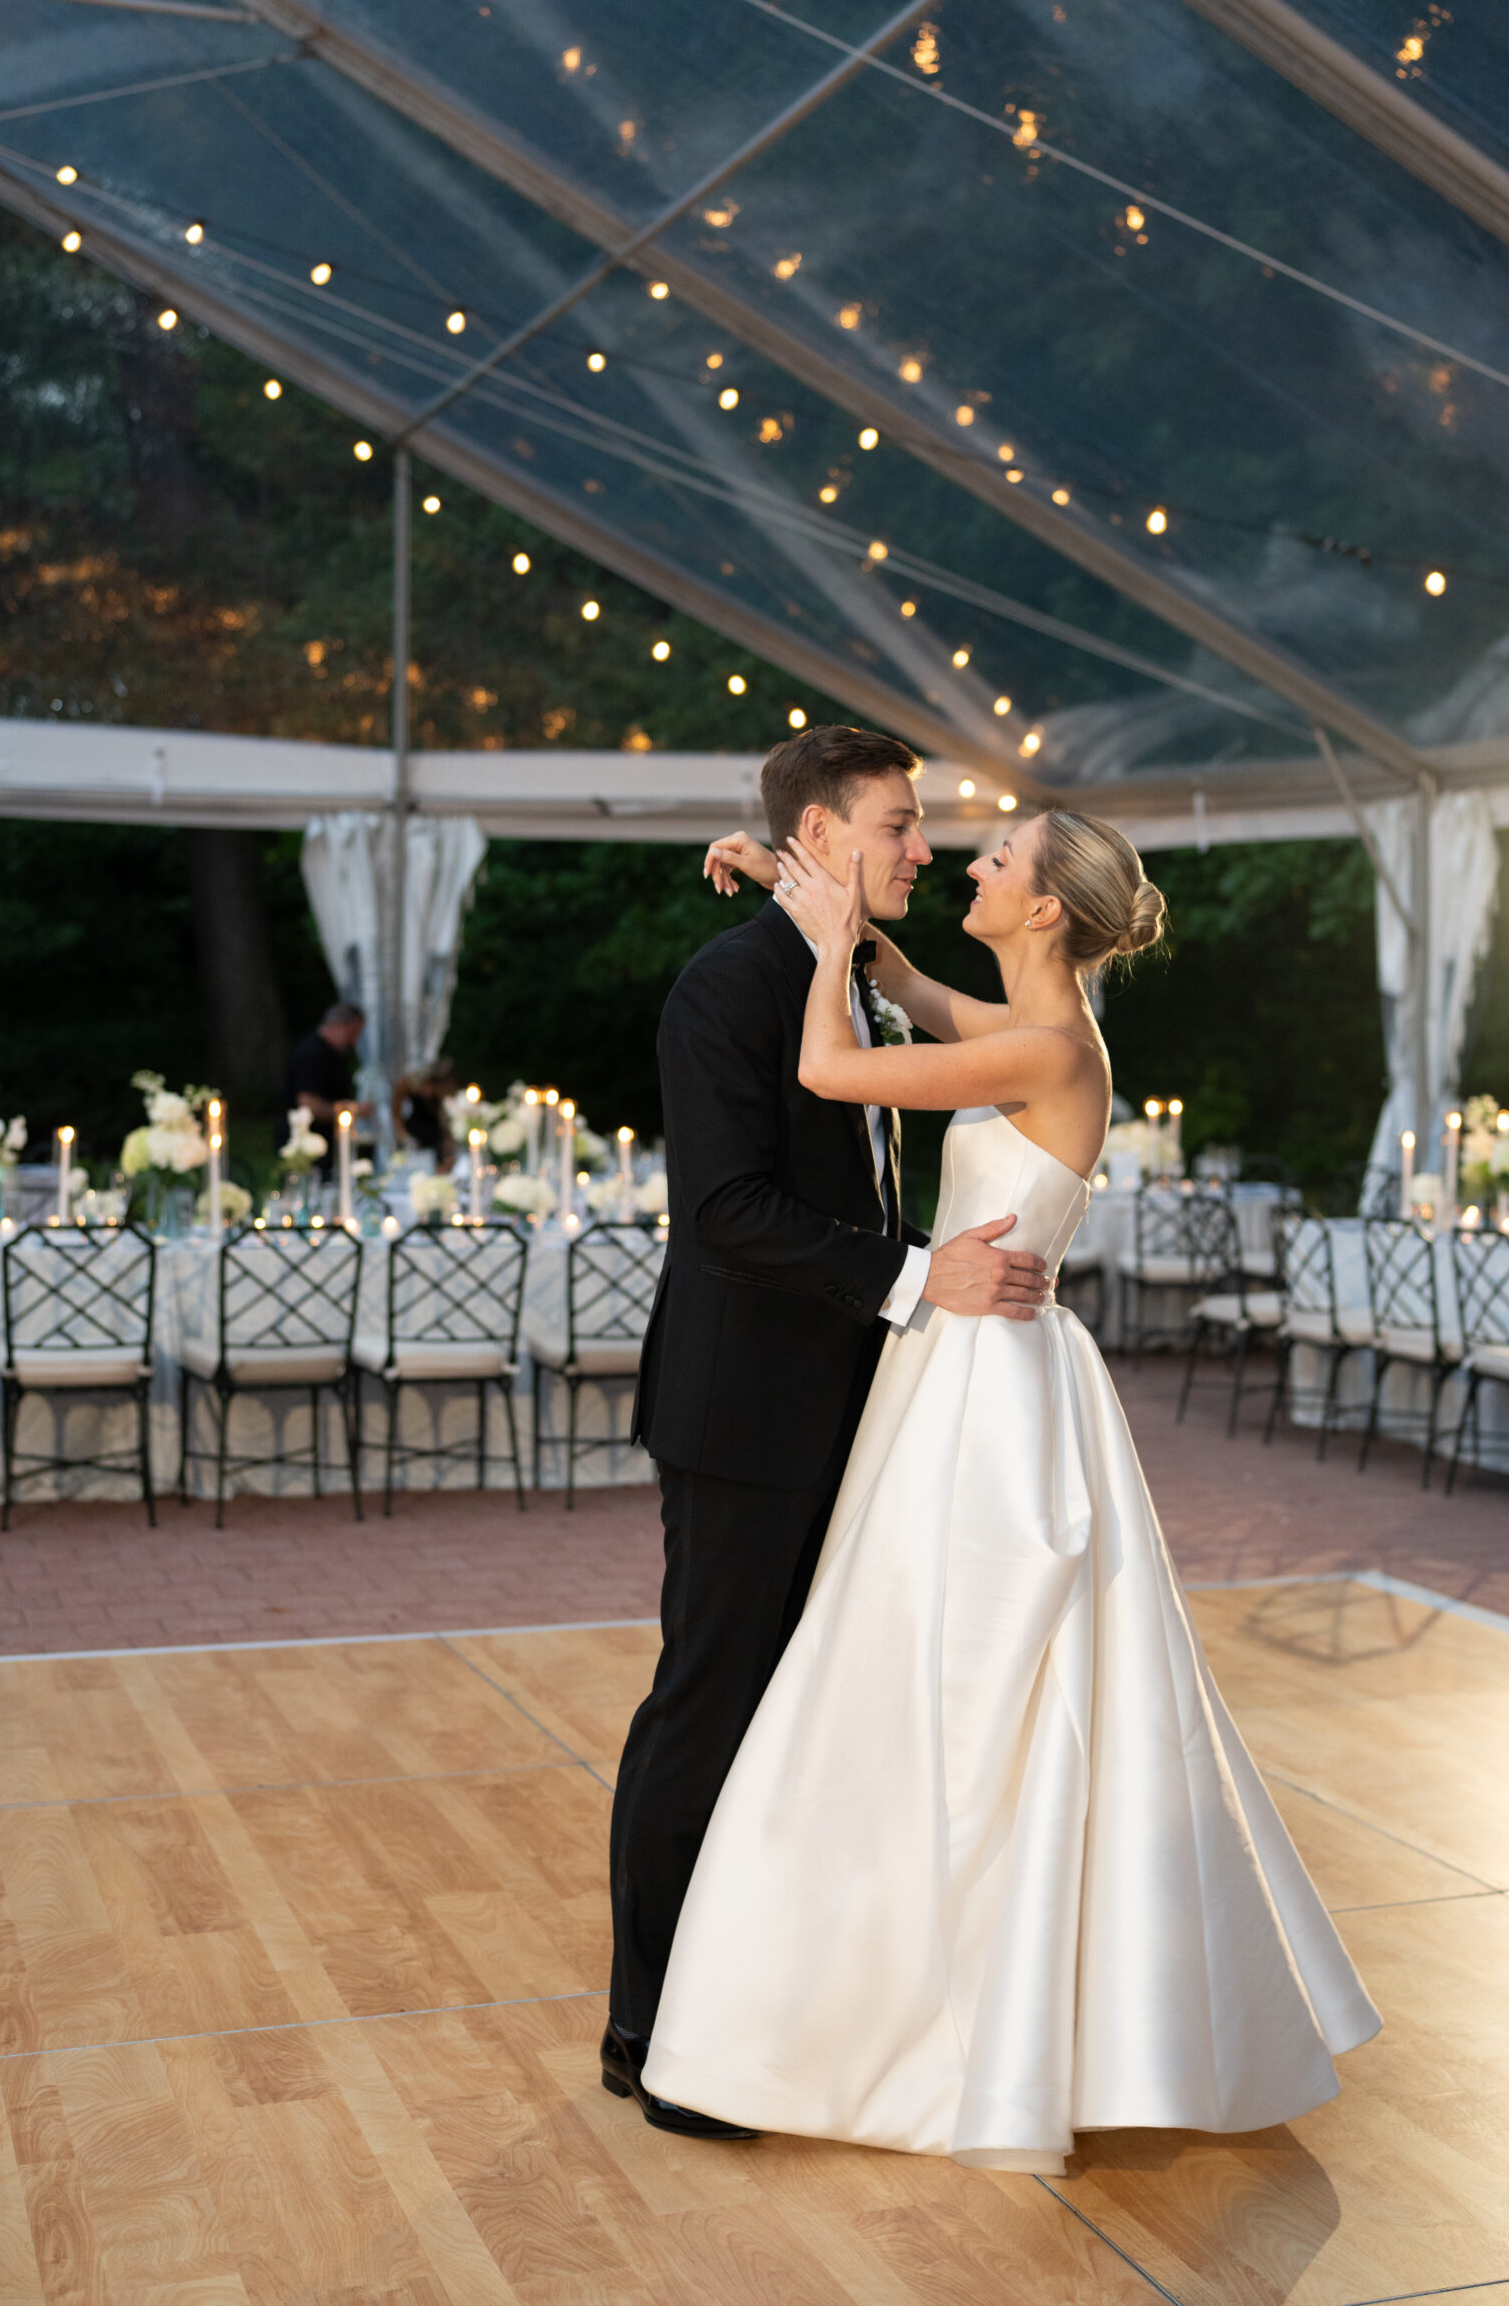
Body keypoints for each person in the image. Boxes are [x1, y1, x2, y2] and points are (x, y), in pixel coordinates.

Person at [639, 805, 1381, 2172]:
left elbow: (829, 1063)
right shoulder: (1019, 1021)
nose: (965, 865)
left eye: (996, 858)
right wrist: (784, 870)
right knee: (936, 1671)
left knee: (960, 1678)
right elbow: (902, 980)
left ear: (1043, 908)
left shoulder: (1048, 1049)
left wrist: (820, 950)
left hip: (991, 1388)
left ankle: (954, 2007)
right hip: (961, 1365)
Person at [602, 727, 1056, 2141]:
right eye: (900, 824)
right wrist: (922, 1276)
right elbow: (725, 1210)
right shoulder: (727, 986)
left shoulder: (852, 971)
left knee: (800, 1718)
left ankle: (754, 2017)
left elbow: (853, 1165)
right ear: (825, 834)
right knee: (709, 1705)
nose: (924, 846)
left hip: (855, 1410)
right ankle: (648, 2032)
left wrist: (792, 886)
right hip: (743, 1413)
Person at [280, 1002, 368, 1144]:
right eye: (352, 1033)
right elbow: (308, 1103)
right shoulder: (312, 1053)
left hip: (328, 1140)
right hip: (307, 1142)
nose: (354, 1040)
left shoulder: (335, 1054)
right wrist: (350, 1111)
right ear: (337, 1026)